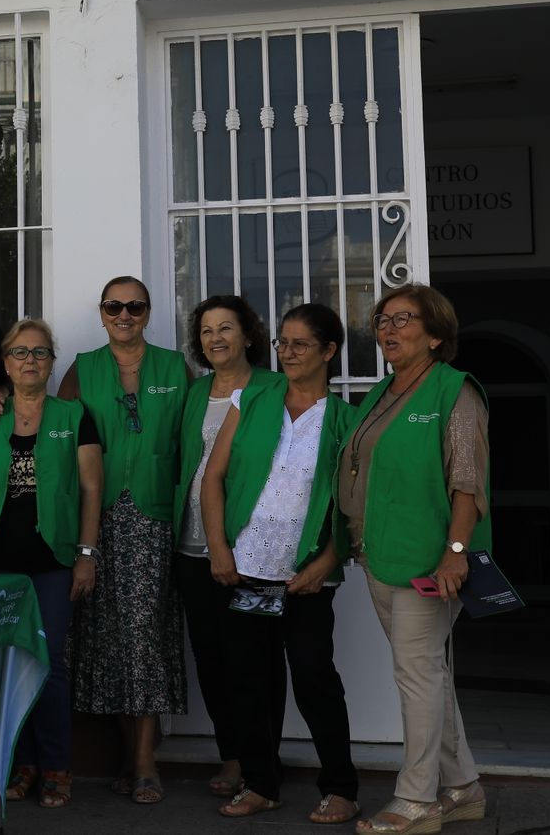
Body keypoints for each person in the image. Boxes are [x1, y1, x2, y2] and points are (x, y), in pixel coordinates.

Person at [198, 304, 359, 823]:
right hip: (245, 569)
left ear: (329, 351)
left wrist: (329, 561)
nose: (287, 353)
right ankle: (261, 783)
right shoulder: (253, 400)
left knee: (315, 679)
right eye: (282, 344)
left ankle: (340, 787)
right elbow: (213, 478)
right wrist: (220, 548)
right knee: (246, 679)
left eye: (299, 345)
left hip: (305, 578)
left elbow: (355, 508)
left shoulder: (344, 421)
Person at [340, 284, 491, 835]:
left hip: (431, 563)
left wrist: (455, 553)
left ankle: (417, 799)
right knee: (427, 674)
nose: (388, 329)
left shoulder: (454, 392)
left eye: (404, 319)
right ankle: (464, 787)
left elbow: (467, 482)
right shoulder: (382, 392)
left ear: (435, 334)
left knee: (418, 673)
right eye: (382, 319)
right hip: (381, 554)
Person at [62, 276, 190, 804]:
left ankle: (144, 761)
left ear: (148, 311)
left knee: (144, 636)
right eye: (114, 305)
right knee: (105, 638)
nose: (124, 314)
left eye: (134, 305)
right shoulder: (81, 369)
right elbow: (58, 436)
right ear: (101, 312)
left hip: (156, 520)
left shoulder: (175, 367)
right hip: (97, 521)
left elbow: (194, 441)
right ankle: (128, 755)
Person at [0, 319, 103, 810]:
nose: (29, 361)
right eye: (19, 353)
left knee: (49, 664)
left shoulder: (75, 415)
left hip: (52, 561)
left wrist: (86, 556)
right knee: (6, 665)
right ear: (5, 363)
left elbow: (92, 489)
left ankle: (56, 765)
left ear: (53, 362)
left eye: (40, 353)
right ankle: (22, 763)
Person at [170, 293, 280, 803]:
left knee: (251, 662)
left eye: (226, 328)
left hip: (250, 552)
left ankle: (262, 765)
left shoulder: (272, 389)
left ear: (249, 335)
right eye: (207, 330)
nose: (215, 338)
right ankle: (232, 754)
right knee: (210, 658)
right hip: (191, 550)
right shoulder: (195, 394)